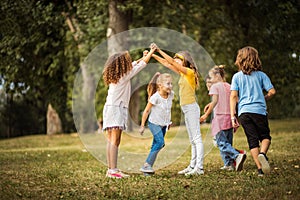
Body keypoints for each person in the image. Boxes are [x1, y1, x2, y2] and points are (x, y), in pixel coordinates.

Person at [102, 47, 156, 178]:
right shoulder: (125, 75)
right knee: (115, 140)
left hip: (110, 108)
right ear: (122, 65)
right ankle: (113, 170)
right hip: (116, 109)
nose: (130, 62)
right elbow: (142, 65)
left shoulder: (118, 75)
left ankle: (111, 169)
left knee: (111, 140)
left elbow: (136, 63)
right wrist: (151, 52)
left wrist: (144, 56)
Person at [151, 43, 204, 176]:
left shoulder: (190, 72)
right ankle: (192, 165)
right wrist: (153, 54)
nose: (174, 61)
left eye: (177, 59)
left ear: (184, 60)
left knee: (197, 138)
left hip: (192, 107)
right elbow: (166, 63)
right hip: (186, 108)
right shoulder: (182, 73)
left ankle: (199, 168)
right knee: (192, 139)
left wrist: (159, 50)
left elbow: (169, 61)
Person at [230, 46, 276, 176]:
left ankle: (260, 169)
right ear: (256, 59)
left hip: (244, 113)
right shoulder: (261, 75)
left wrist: (232, 115)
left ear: (240, 60)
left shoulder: (236, 77)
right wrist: (265, 97)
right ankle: (263, 154)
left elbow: (233, 96)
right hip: (259, 111)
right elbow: (272, 91)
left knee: (252, 140)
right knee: (265, 137)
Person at [200, 65, 246, 171]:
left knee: (221, 142)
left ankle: (237, 155)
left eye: (211, 77)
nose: (210, 80)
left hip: (220, 119)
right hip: (230, 118)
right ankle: (229, 164)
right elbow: (235, 100)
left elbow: (215, 101)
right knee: (227, 142)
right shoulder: (229, 86)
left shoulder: (215, 87)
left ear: (217, 76)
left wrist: (206, 115)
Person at [139, 72, 174, 174]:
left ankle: (147, 169)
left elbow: (167, 109)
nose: (170, 86)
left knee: (156, 145)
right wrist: (142, 125)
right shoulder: (155, 97)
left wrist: (169, 122)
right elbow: (146, 111)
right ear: (160, 85)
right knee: (160, 142)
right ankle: (146, 165)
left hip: (163, 125)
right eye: (168, 84)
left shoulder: (171, 95)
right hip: (154, 123)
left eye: (171, 83)